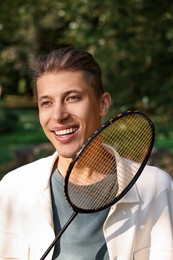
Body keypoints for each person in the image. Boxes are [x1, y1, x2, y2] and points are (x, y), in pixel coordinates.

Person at [0, 46, 172, 260]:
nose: (58, 115)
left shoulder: (156, 188)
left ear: (103, 104)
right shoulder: (13, 189)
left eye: (72, 98)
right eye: (46, 102)